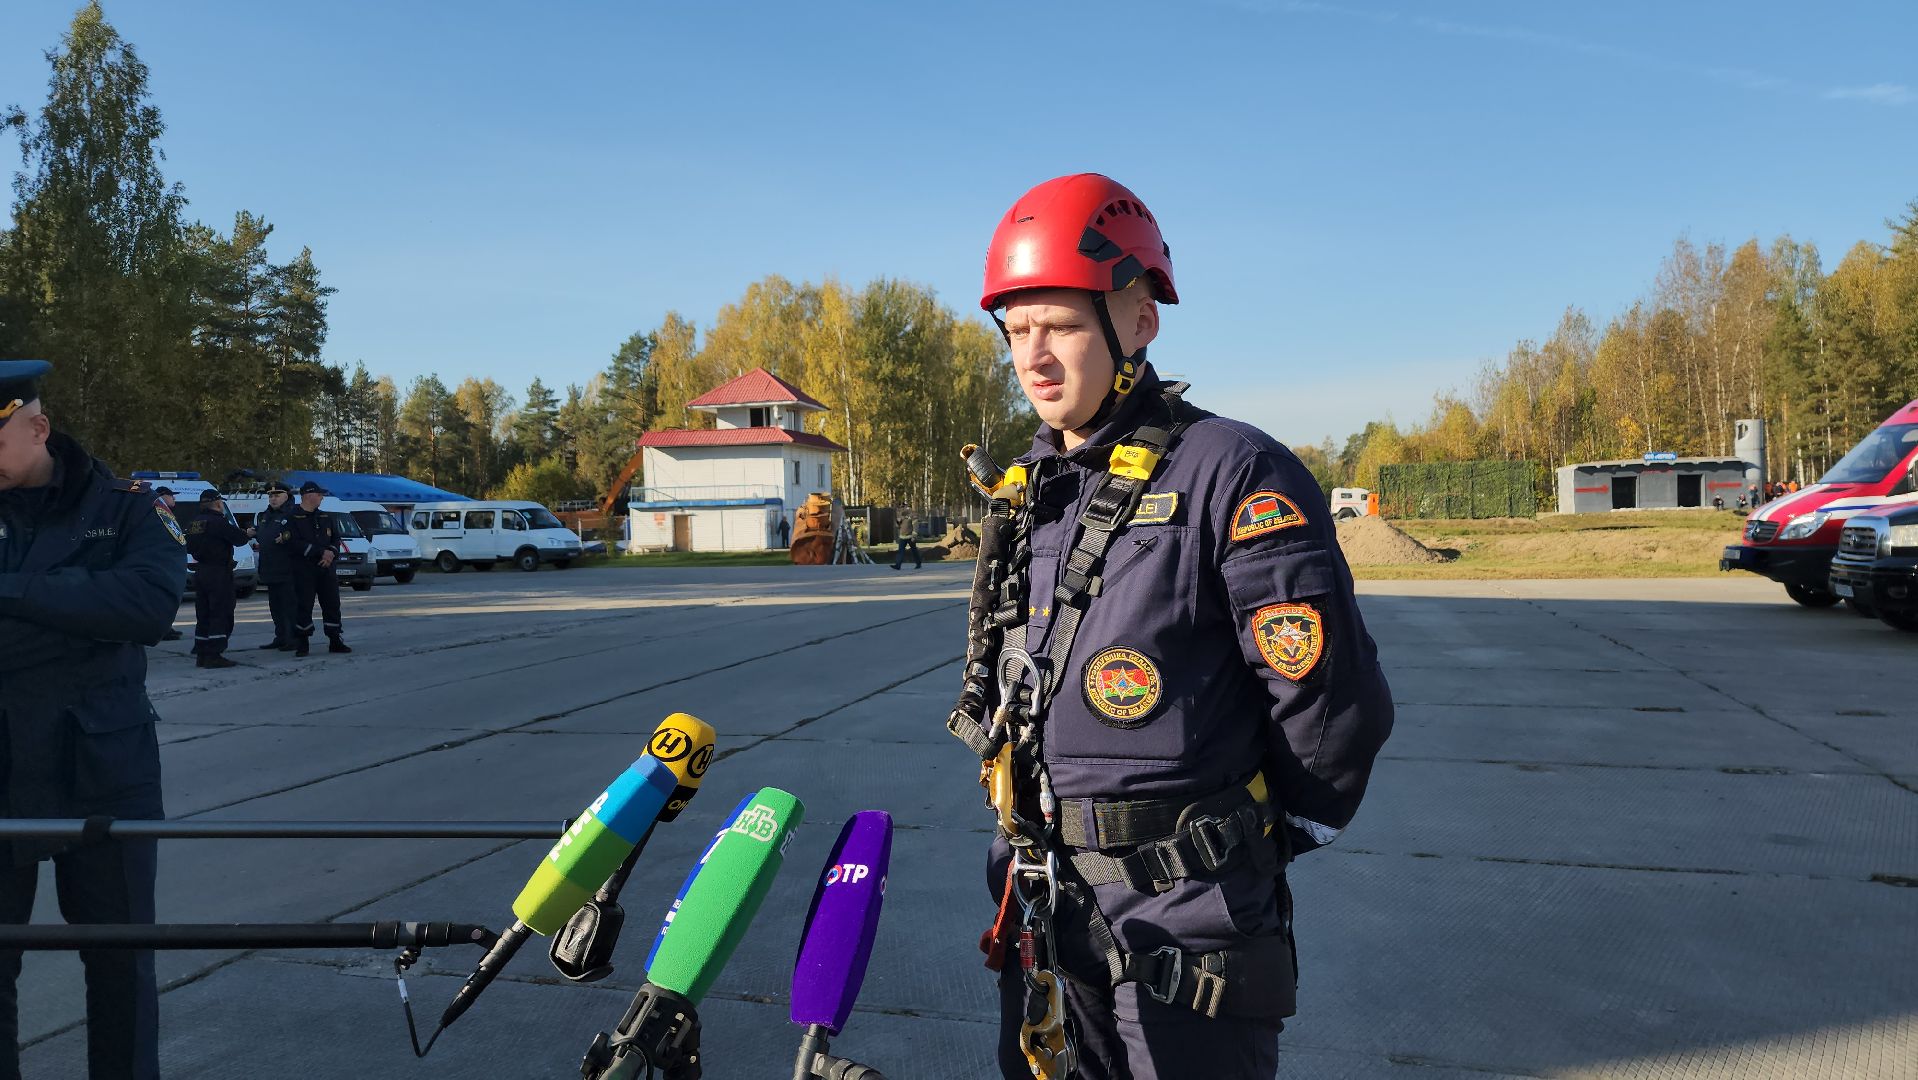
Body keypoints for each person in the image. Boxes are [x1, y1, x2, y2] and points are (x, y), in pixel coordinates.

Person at [948, 175, 1393, 1079]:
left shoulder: (1232, 469)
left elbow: (1330, 703)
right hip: (1041, 921)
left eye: (1062, 325)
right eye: (1016, 329)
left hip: (1187, 932)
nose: (1033, 355)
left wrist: (1246, 842)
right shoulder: (1029, 495)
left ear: (1140, 321)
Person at [0, 360, 181, 1080]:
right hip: (3, 767)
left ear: (37, 427)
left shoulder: (128, 506)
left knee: (121, 964)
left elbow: (145, 608)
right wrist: (77, 607)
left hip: (105, 769)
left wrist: (8, 593)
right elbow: (109, 609)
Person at [182, 487, 252, 668]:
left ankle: (202, 652)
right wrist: (247, 533)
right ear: (219, 503)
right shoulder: (218, 522)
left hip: (201, 572)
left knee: (204, 613)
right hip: (219, 572)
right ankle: (214, 653)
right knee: (221, 612)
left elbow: (188, 547)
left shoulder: (194, 523)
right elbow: (239, 539)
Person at [282, 480, 350, 657]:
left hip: (326, 570)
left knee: (332, 604)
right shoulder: (291, 518)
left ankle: (335, 639)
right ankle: (303, 642)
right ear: (309, 496)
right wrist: (321, 552)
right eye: (319, 495)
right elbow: (292, 542)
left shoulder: (325, 517)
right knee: (303, 606)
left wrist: (331, 553)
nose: (322, 498)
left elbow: (336, 539)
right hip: (303, 570)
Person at [252, 480, 296, 650]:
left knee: (290, 606)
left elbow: (302, 534)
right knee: (276, 607)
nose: (273, 498)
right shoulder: (265, 515)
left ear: (287, 496)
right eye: (270, 495)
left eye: (277, 495)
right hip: (270, 568)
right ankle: (281, 636)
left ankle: (293, 638)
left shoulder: (294, 514)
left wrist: (287, 537)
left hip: (288, 569)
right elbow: (263, 534)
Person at [152, 486, 184, 641]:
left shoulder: (165, 512)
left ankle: (166, 627)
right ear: (163, 496)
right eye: (172, 495)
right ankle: (162, 629)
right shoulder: (158, 512)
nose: (174, 498)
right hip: (160, 563)